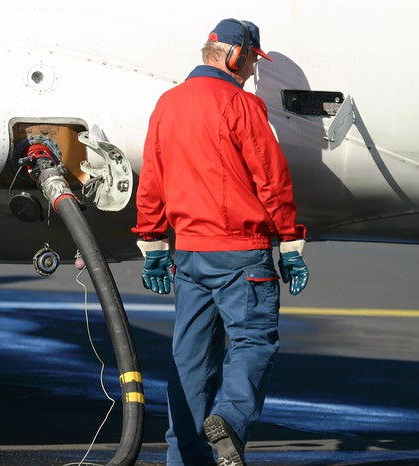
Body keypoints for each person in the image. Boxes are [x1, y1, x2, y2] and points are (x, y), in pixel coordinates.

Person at [131, 18, 310, 466]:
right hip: (241, 254)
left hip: (189, 254)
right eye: (251, 60)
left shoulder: (167, 104)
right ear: (234, 55)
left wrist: (153, 243)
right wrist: (289, 242)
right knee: (252, 343)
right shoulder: (241, 104)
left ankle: (184, 459)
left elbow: (152, 178)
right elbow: (272, 179)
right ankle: (229, 417)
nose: (252, 70)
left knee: (189, 361)